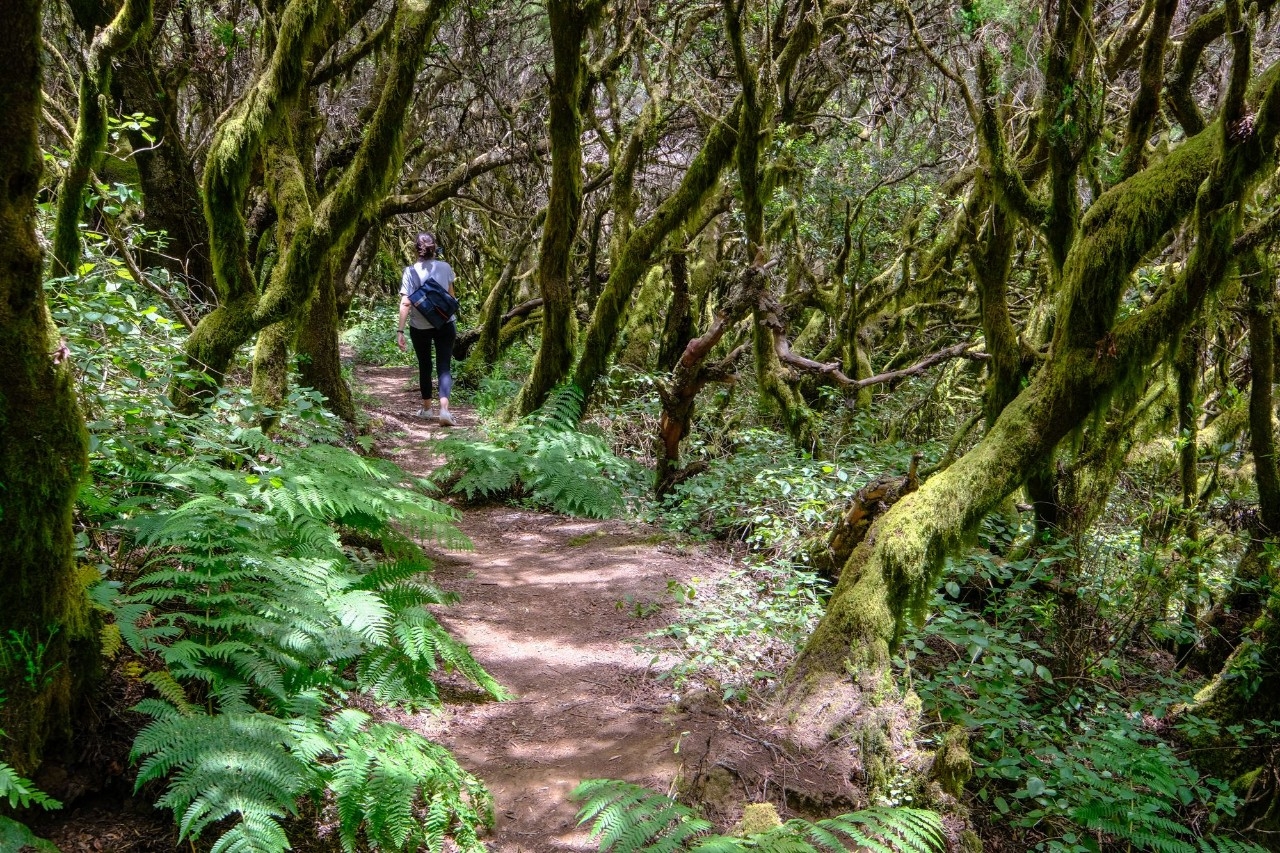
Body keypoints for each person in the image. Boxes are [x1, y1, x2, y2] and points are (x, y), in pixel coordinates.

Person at [397, 232, 458, 426]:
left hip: (419, 326)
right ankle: (444, 411)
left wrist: (400, 330)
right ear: (434, 248)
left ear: (417, 249)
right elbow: (451, 297)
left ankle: (426, 409)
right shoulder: (445, 267)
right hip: (446, 323)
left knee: (425, 365)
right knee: (444, 367)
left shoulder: (410, 271)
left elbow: (406, 303)